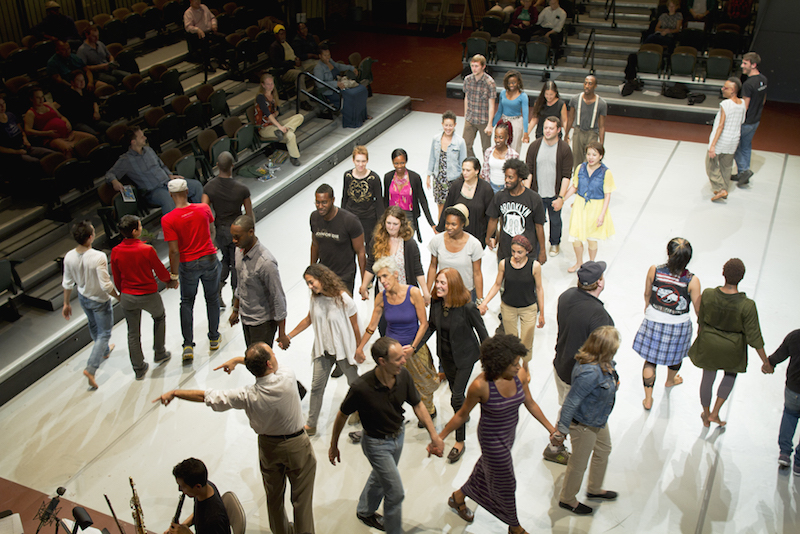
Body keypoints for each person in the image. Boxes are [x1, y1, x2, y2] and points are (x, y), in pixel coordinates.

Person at [154, 342, 316, 534]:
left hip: (269, 448)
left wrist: (175, 392)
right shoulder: (287, 377)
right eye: (272, 354)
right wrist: (240, 362)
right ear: (269, 364)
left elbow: (206, 396)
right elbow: (268, 367)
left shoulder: (246, 395)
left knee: (274, 499)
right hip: (297, 444)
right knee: (302, 503)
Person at [438, 334, 556, 533]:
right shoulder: (480, 386)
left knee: (484, 470)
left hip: (508, 435)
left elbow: (530, 403)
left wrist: (551, 429)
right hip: (492, 440)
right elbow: (462, 415)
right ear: (499, 364)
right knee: (507, 484)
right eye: (514, 364)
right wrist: (439, 437)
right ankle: (514, 526)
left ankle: (458, 497)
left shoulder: (519, 376)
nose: (519, 368)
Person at [328, 337, 444, 534]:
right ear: (382, 361)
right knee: (395, 492)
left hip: (398, 437)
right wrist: (333, 445)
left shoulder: (403, 375)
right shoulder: (361, 387)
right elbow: (342, 415)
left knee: (380, 476)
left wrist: (434, 435)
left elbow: (417, 404)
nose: (404, 361)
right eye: (398, 358)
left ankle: (365, 510)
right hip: (375, 444)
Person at [689, 258, 770, 427]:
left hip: (709, 344)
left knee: (707, 378)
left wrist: (700, 339)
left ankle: (706, 412)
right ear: (741, 278)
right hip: (732, 350)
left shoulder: (709, 294)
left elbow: (701, 320)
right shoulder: (747, 306)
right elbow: (754, 337)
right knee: (730, 375)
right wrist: (765, 362)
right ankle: (716, 412)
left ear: (723, 273)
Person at [282, 264, 362, 436]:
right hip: (323, 351)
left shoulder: (343, 299)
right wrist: (289, 336)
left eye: (312, 282)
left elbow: (356, 327)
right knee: (317, 387)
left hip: (344, 351)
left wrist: (359, 349)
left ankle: (359, 410)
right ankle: (311, 425)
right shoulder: (315, 299)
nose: (310, 287)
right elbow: (308, 319)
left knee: (355, 384)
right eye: (308, 284)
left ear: (322, 278)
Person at [418, 268, 488, 463]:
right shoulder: (437, 303)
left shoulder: (468, 308)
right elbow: (432, 326)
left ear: (453, 285)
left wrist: (490, 362)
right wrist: (415, 346)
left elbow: (483, 335)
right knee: (458, 396)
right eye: (437, 282)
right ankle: (463, 414)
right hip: (446, 357)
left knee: (456, 397)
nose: (438, 286)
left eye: (443, 283)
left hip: (465, 358)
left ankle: (460, 441)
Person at [357, 257, 439, 422]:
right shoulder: (381, 298)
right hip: (391, 351)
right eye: (379, 278)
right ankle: (394, 413)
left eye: (385, 276)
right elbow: (372, 326)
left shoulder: (413, 293)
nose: (382, 281)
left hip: (413, 348)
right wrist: (360, 347)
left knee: (424, 383)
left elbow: (423, 324)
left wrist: (413, 347)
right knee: (391, 384)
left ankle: (429, 411)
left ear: (396, 274)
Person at [548, 261, 614, 464]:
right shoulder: (600, 316)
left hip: (560, 363)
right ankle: (554, 447)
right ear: (600, 283)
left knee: (565, 404)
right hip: (579, 375)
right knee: (570, 409)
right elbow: (603, 355)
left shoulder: (566, 296)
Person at [551, 326, 621, 515]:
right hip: (583, 424)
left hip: (597, 418)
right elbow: (571, 402)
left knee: (604, 450)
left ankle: (594, 489)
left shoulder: (605, 363)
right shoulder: (589, 372)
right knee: (579, 463)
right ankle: (567, 499)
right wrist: (561, 431)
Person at [633, 238, 702, 410]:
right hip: (679, 325)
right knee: (676, 357)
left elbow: (647, 293)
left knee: (650, 360)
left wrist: (648, 307)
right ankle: (670, 380)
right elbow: (698, 309)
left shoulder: (654, 270)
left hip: (654, 320)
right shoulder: (692, 281)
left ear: (668, 254)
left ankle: (648, 399)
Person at [161, 179, 221, 362]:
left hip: (188, 264)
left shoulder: (168, 219)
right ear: (187, 191)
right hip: (209, 258)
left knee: (186, 303)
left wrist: (173, 275)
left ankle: (188, 344)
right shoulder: (203, 208)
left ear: (170, 195)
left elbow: (173, 251)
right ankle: (213, 337)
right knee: (212, 298)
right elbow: (212, 231)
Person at [111, 215, 175, 381]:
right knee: (159, 317)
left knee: (133, 333)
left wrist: (122, 293)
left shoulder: (116, 251)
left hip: (128, 296)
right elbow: (160, 271)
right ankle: (159, 352)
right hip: (148, 295)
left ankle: (139, 368)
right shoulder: (146, 249)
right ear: (134, 231)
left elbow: (116, 278)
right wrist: (169, 281)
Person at [61, 221, 118, 389]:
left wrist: (66, 303)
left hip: (83, 297)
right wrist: (118, 296)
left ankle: (104, 351)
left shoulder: (69, 256)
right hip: (99, 300)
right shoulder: (98, 256)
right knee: (104, 333)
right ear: (91, 236)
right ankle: (91, 368)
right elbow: (106, 285)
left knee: (93, 326)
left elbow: (67, 282)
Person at [104, 127, 204, 214]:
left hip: (167, 182)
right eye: (141, 137)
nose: (145, 138)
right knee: (168, 199)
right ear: (133, 142)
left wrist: (169, 175)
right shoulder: (126, 160)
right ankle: (174, 230)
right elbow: (109, 174)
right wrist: (114, 181)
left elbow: (162, 165)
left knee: (196, 186)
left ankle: (200, 215)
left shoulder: (149, 150)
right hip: (153, 191)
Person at [480, 235, 544, 364]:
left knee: (526, 342)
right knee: (512, 342)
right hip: (508, 307)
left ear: (527, 251)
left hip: (528, 308)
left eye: (519, 252)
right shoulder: (504, 264)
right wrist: (484, 302)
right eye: (513, 251)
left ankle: (525, 366)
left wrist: (542, 313)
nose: (516, 255)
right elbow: (497, 285)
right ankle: (515, 366)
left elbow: (539, 289)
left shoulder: (534, 266)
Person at [228, 215, 288, 351]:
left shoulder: (266, 263)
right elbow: (240, 283)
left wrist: (282, 333)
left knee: (262, 367)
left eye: (237, 237)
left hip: (263, 324)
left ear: (251, 232)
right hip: (246, 318)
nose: (234, 240)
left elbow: (278, 297)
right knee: (253, 362)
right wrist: (236, 310)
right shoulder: (239, 251)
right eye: (232, 236)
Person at [201, 151, 252, 308]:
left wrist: (209, 237)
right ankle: (236, 296)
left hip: (220, 230)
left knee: (226, 260)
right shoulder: (241, 189)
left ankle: (218, 288)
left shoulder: (209, 187)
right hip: (238, 230)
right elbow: (249, 214)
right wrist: (251, 235)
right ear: (232, 165)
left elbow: (204, 211)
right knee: (237, 263)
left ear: (217, 166)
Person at [359, 207, 430, 308]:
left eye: (395, 224)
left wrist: (425, 292)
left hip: (406, 295)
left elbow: (418, 270)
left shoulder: (409, 244)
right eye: (388, 223)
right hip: (384, 293)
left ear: (402, 224)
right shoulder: (377, 241)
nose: (391, 227)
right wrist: (364, 286)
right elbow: (371, 265)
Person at [561, 142, 615, 272]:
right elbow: (575, 186)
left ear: (600, 156)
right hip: (580, 205)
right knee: (576, 237)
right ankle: (579, 262)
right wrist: (562, 199)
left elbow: (607, 195)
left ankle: (591, 264)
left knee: (592, 238)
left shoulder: (606, 173)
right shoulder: (581, 167)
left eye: (594, 155)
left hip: (596, 207)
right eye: (588, 154)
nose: (590, 157)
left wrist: (602, 214)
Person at [526, 116, 573, 257]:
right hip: (537, 194)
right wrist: (527, 192)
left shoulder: (564, 149)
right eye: (545, 127)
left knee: (555, 221)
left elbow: (566, 176)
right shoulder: (535, 146)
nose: (547, 131)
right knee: (535, 222)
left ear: (558, 130)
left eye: (551, 128)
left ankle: (554, 243)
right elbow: (528, 171)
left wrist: (561, 198)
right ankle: (535, 244)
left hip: (554, 195)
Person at [486, 158, 548, 267]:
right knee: (505, 280)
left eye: (510, 177)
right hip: (505, 249)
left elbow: (539, 227)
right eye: (505, 176)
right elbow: (493, 219)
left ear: (520, 178)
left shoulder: (534, 198)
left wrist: (542, 251)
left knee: (527, 281)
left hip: (527, 251)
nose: (507, 180)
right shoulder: (500, 196)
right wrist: (488, 237)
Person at [310, 183, 366, 295]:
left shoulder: (350, 221)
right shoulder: (314, 217)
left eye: (324, 202)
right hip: (323, 274)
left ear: (333, 200)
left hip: (344, 276)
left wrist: (364, 283)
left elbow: (360, 252)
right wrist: (312, 271)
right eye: (317, 202)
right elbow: (315, 244)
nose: (320, 206)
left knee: (343, 310)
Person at [428, 204, 484, 303]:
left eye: (453, 224)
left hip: (465, 294)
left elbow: (477, 273)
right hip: (443, 293)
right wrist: (427, 292)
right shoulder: (437, 241)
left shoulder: (474, 244)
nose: (449, 227)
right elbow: (433, 266)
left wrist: (480, 299)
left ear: (462, 224)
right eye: (447, 223)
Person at [438, 157, 495, 246]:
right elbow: (447, 207)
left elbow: (490, 216)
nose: (464, 173)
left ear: (476, 171)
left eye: (468, 170)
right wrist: (440, 228)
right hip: (456, 234)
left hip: (477, 235)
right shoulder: (456, 185)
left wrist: (491, 236)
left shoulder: (486, 189)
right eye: (463, 170)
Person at [24, 85, 93, 158]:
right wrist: (47, 133)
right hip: (52, 138)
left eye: (42, 97)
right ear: (31, 99)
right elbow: (28, 130)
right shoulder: (30, 113)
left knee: (90, 139)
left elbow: (61, 116)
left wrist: (67, 122)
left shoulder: (48, 105)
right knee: (68, 149)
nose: (41, 99)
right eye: (38, 97)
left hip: (68, 133)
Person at [165, 458, 230, 534]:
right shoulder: (205, 487)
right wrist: (180, 528)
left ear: (198, 487)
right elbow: (199, 514)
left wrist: (187, 533)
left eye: (183, 486)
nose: (179, 489)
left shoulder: (214, 519)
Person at [766, 330, 800, 475]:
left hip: (793, 389)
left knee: (789, 415)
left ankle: (784, 453)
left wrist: (769, 364)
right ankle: (799, 463)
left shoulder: (795, 336)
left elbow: (778, 355)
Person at [706, 78, 745, 202]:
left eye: (726, 88)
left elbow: (720, 125)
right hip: (734, 140)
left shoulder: (725, 104)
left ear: (733, 90)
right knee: (726, 166)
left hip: (722, 139)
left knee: (711, 164)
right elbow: (742, 120)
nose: (723, 89)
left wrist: (713, 145)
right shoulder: (742, 103)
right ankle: (724, 188)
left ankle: (720, 188)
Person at [382, 148, 435, 241]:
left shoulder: (414, 178)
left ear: (406, 161)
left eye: (402, 163)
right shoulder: (388, 177)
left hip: (408, 217)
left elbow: (422, 200)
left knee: (407, 245)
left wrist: (431, 223)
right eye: (396, 163)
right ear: (392, 162)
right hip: (392, 217)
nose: (399, 166)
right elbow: (385, 199)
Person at [0, 94, 55, 181]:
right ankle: (46, 181)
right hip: (13, 154)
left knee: (51, 154)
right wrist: (16, 152)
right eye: (0, 105)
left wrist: (25, 140)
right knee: (35, 162)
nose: (2, 106)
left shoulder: (10, 115)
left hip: (24, 146)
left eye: (3, 103)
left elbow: (22, 131)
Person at [732, 52, 767, 187]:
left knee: (735, 147)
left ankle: (745, 171)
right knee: (746, 146)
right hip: (756, 120)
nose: (742, 66)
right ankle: (742, 173)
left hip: (746, 122)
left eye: (745, 63)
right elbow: (763, 99)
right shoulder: (763, 79)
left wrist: (737, 121)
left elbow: (744, 106)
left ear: (753, 65)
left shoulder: (748, 84)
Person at [342, 145, 384, 258]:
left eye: (363, 161)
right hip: (351, 217)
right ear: (353, 160)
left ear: (367, 160)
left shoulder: (374, 178)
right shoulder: (347, 176)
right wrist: (341, 217)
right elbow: (345, 197)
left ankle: (371, 273)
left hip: (369, 218)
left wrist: (381, 223)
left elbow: (379, 201)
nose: (361, 164)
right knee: (349, 248)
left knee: (371, 249)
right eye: (358, 161)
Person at [255, 72, 304, 166]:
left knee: (299, 117)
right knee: (290, 135)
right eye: (268, 84)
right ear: (263, 85)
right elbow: (268, 114)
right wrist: (279, 127)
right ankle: (294, 157)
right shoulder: (260, 97)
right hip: (265, 127)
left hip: (275, 123)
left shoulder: (273, 95)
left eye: (272, 83)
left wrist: (277, 115)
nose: (271, 86)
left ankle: (284, 130)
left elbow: (277, 110)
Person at [426, 110, 467, 216]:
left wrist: (464, 180)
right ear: (442, 124)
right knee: (440, 205)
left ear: (455, 125)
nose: (448, 128)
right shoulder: (436, 139)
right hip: (438, 178)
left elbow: (463, 162)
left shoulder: (460, 142)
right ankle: (441, 229)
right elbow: (432, 158)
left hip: (453, 179)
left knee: (452, 206)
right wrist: (428, 176)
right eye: (446, 125)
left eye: (451, 125)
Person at [565, 76, 607, 168]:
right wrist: (566, 134)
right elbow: (571, 118)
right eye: (585, 83)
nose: (587, 86)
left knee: (590, 160)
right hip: (578, 131)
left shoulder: (601, 103)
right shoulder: (575, 99)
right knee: (576, 161)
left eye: (590, 84)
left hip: (592, 133)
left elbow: (602, 126)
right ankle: (577, 180)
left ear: (595, 86)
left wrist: (601, 144)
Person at [462, 54, 496, 159]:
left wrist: (490, 124)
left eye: (476, 66)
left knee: (486, 148)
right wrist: (465, 116)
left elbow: (491, 105)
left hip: (484, 120)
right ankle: (474, 165)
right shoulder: (468, 80)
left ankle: (486, 170)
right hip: (470, 118)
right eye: (472, 66)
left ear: (483, 67)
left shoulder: (490, 82)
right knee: (465, 145)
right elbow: (466, 98)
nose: (474, 68)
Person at [58, 70, 110, 137]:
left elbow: (94, 101)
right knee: (94, 135)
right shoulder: (67, 94)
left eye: (83, 80)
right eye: (79, 81)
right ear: (72, 82)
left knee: (109, 128)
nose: (82, 82)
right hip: (79, 122)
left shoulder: (86, 90)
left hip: (92, 119)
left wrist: (96, 112)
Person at [270, 24, 314, 102]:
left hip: (294, 66)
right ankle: (303, 101)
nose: (283, 36)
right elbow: (277, 64)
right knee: (299, 75)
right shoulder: (275, 47)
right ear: (276, 35)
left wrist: (297, 60)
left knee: (314, 66)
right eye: (280, 34)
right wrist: (293, 63)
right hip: (285, 71)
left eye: (284, 33)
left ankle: (318, 90)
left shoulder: (286, 43)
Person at [492, 70, 529, 154]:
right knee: (501, 145)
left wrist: (526, 132)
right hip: (504, 121)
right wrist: (492, 125)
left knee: (514, 147)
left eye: (513, 83)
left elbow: (526, 115)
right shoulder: (502, 93)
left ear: (518, 82)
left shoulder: (523, 96)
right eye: (509, 83)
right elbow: (499, 111)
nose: (511, 85)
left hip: (516, 122)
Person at [184, 0, 226, 70]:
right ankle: (207, 64)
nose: (197, 2)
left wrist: (214, 24)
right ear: (191, 2)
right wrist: (197, 30)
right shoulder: (188, 13)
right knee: (204, 43)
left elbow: (212, 17)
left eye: (198, 0)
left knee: (222, 37)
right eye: (195, 1)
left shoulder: (204, 7)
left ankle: (222, 61)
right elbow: (188, 27)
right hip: (198, 35)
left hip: (209, 31)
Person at [481, 122, 519, 194]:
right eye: (495, 137)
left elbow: (515, 177)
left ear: (507, 137)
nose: (497, 140)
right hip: (490, 187)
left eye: (501, 137)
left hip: (506, 189)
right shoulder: (488, 152)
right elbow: (484, 172)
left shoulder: (513, 155)